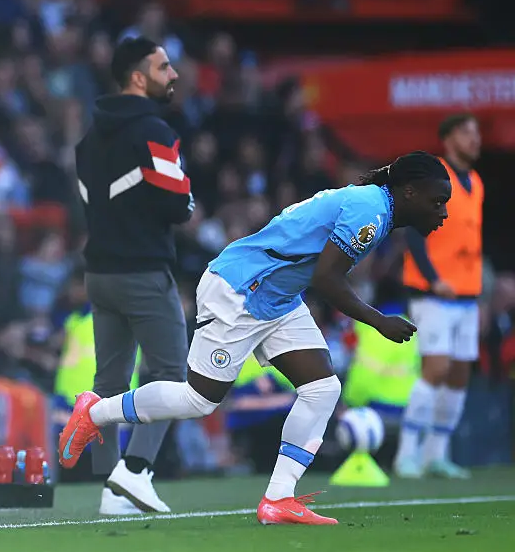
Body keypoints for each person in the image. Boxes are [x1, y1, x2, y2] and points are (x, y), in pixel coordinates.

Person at [59, 151, 452, 525]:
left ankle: (279, 498)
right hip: (241, 289)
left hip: (277, 296)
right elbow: (327, 279)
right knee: (198, 400)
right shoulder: (372, 211)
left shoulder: (374, 206)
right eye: (437, 202)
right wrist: (378, 320)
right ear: (410, 192)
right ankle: (94, 413)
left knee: (322, 389)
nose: (443, 212)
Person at [73, 36, 194, 515]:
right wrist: (186, 201)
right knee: (170, 375)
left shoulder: (86, 138)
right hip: (143, 271)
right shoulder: (154, 132)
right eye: (165, 66)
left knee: (109, 384)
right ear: (139, 77)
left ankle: (109, 489)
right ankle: (135, 472)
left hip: (99, 272)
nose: (175, 75)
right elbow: (176, 204)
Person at [395, 114, 483, 479]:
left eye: (476, 133)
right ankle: (406, 455)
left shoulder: (476, 182)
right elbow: (414, 232)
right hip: (433, 291)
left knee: (460, 373)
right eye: (466, 133)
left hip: (468, 292)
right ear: (447, 139)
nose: (475, 139)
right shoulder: (434, 177)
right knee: (436, 368)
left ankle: (437, 454)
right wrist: (433, 279)